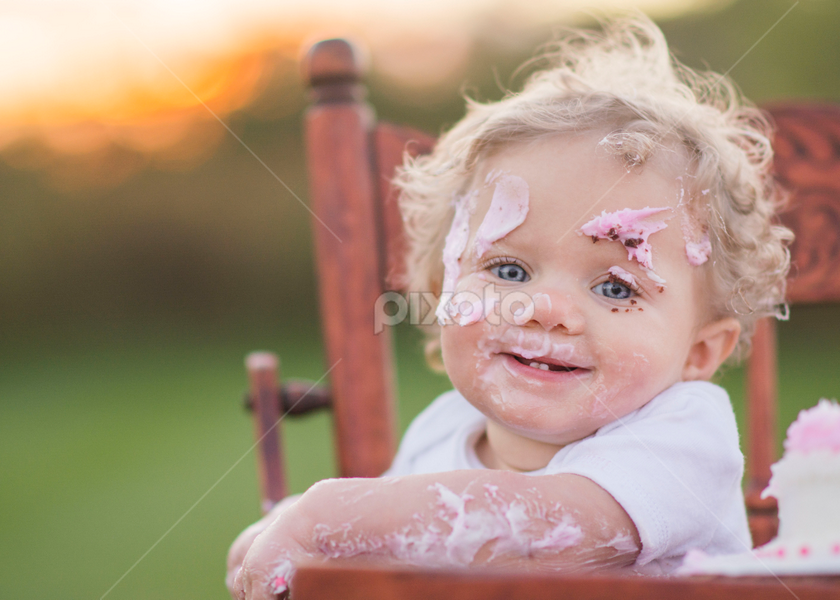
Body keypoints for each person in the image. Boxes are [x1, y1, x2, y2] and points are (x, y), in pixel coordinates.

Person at [227, 14, 793, 599]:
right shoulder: (441, 431)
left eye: (615, 288)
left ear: (700, 352)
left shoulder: (683, 438)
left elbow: (549, 533)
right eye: (509, 271)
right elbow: (385, 549)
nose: (543, 309)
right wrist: (285, 527)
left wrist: (323, 520)